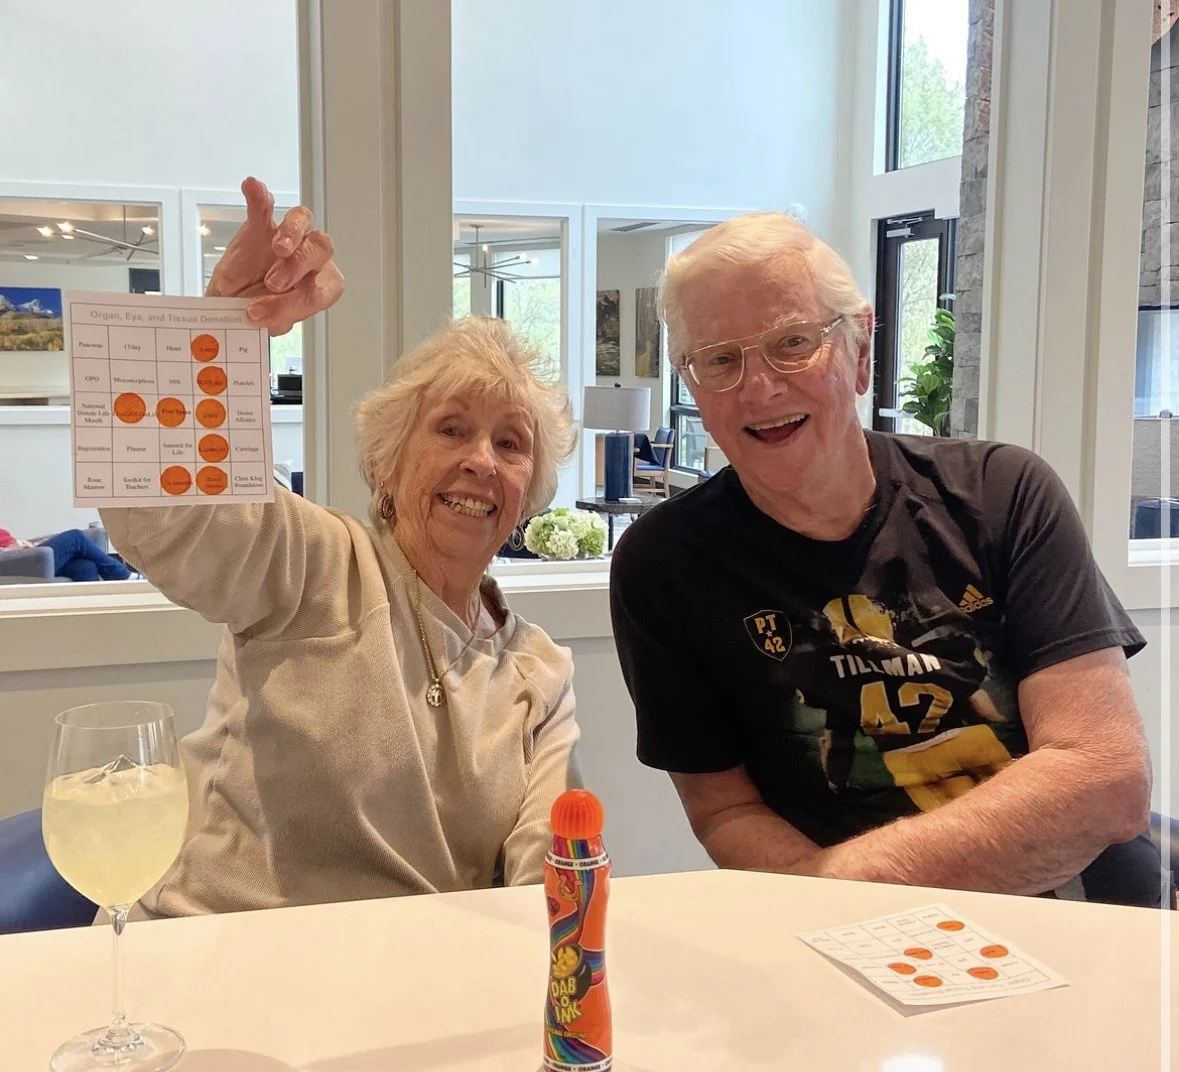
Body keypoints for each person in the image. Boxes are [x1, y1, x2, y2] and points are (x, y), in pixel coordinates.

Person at [610, 212, 1165, 907]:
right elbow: (725, 811)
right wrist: (842, 919)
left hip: (1077, 914)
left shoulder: (1001, 495)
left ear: (861, 349)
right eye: (719, 359)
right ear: (690, 384)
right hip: (852, 939)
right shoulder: (662, 565)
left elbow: (1104, 778)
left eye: (792, 343)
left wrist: (842, 891)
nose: (758, 388)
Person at [101, 178, 581, 916]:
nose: (481, 460)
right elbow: (156, 512)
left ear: (528, 491)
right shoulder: (314, 562)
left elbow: (546, 878)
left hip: (414, 994)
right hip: (226, 963)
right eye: (451, 429)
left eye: (510, 443)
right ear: (388, 466)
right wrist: (223, 328)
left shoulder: (538, 672)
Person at [0, 526, 131, 581]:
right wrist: (9, 550)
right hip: (11, 562)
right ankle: (122, 575)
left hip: (25, 554)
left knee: (85, 566)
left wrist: (28, 545)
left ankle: (93, 623)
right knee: (75, 537)